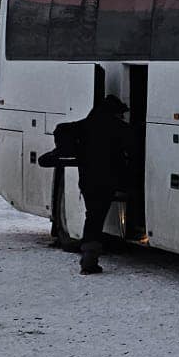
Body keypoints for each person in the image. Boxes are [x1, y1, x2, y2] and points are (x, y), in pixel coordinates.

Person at [53, 93, 132, 275]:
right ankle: (89, 257)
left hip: (87, 180)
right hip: (108, 181)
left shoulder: (84, 125)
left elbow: (61, 129)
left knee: (92, 215)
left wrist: (66, 150)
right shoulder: (119, 128)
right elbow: (133, 149)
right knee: (96, 217)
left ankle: (89, 255)